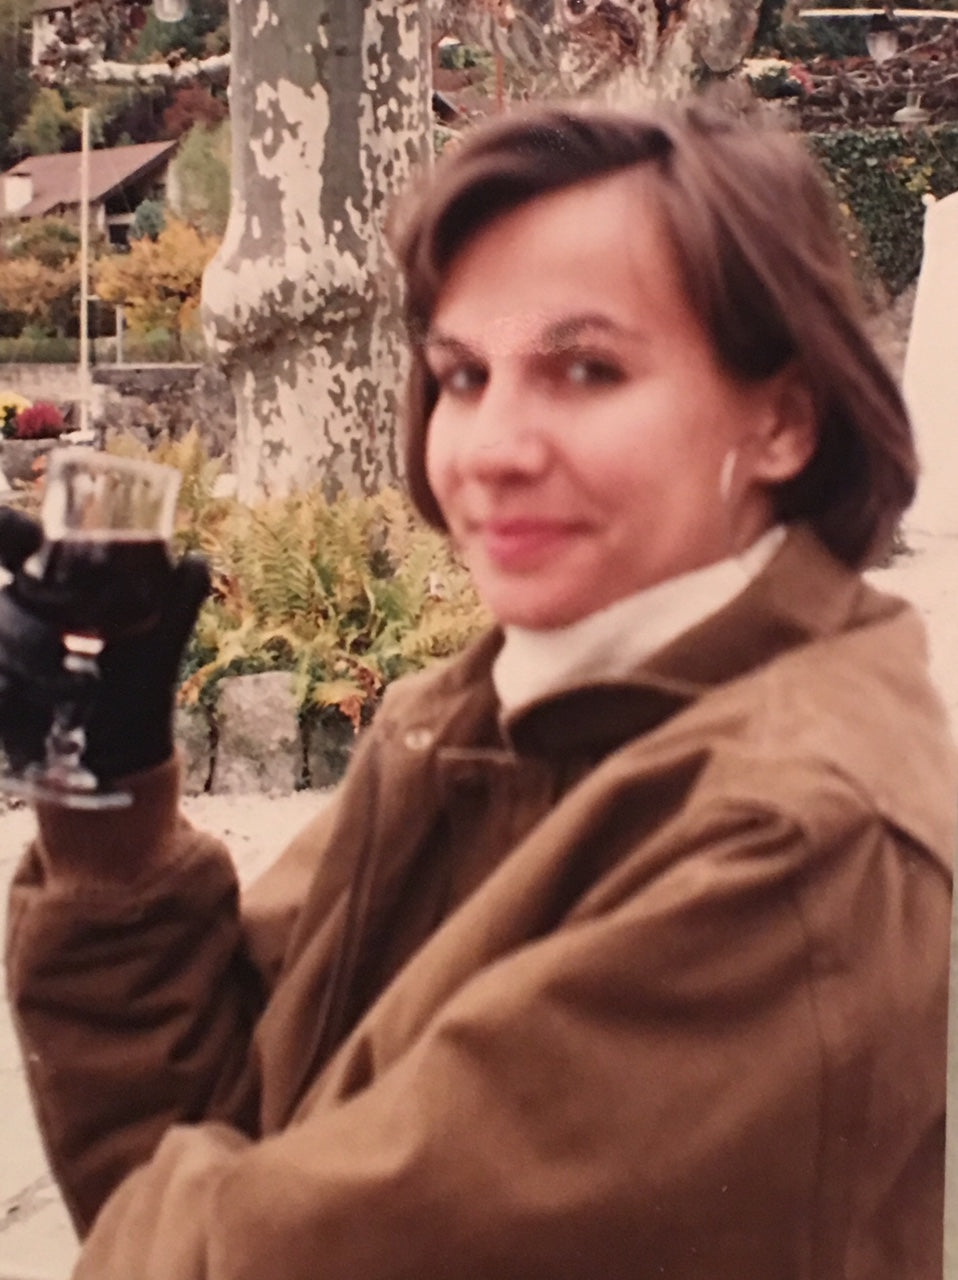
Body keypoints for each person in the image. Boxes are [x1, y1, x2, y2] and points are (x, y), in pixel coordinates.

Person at [2, 97, 954, 1280]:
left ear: (781, 418)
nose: (489, 446)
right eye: (461, 374)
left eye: (586, 367)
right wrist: (106, 797)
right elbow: (214, 1127)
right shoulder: (488, 705)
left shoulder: (791, 833)